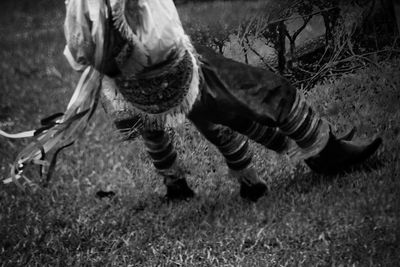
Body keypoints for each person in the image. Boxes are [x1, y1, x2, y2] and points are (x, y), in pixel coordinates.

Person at [1, 0, 382, 201]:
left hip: (136, 90)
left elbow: (79, 52)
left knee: (181, 128)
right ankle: (324, 151)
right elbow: (154, 41)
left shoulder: (84, 9)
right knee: (262, 96)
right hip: (178, 73)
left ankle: (180, 187)